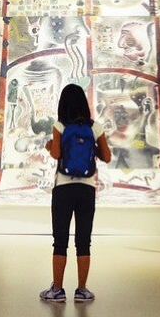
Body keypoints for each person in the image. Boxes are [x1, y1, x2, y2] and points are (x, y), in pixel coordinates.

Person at [41, 83, 111, 303]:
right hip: (87, 189)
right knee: (84, 240)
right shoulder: (95, 127)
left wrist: (50, 146)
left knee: (60, 240)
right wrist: (91, 147)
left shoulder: (60, 125)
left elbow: (56, 154)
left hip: (63, 188)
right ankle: (81, 290)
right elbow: (107, 157)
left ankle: (57, 290)